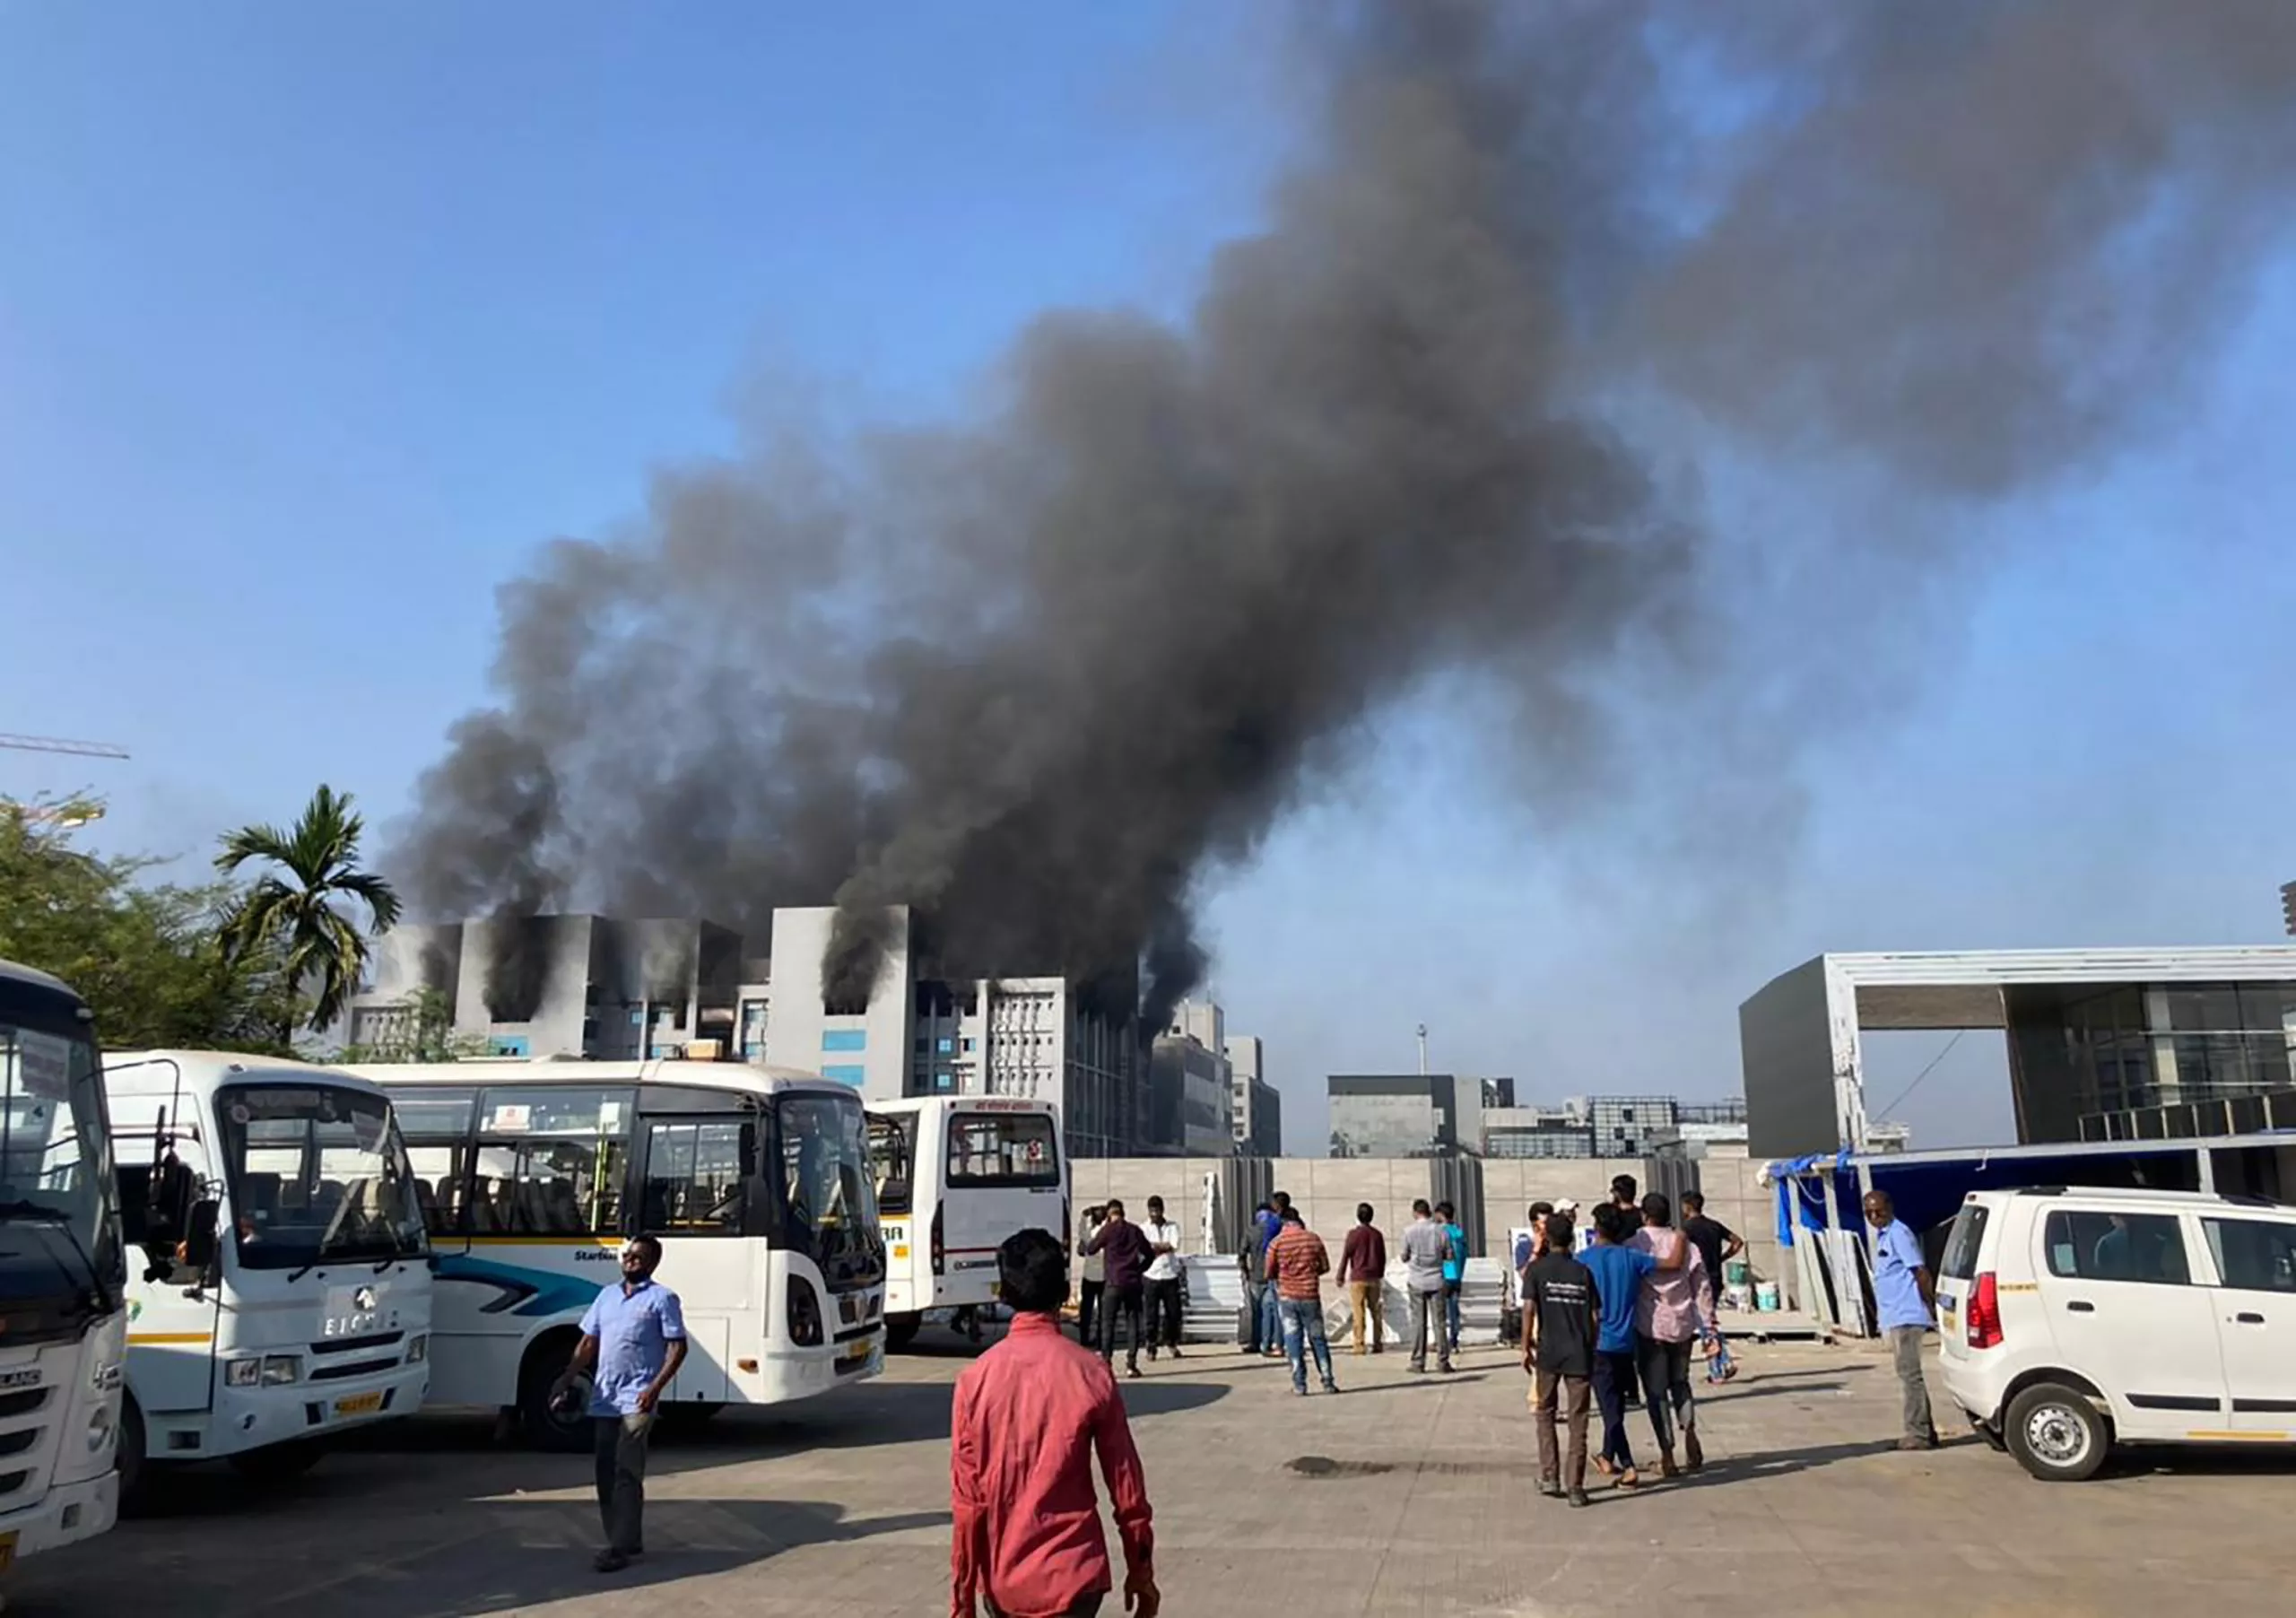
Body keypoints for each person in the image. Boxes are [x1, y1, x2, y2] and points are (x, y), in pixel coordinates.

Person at [951, 1228, 1160, 1618]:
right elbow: (1126, 1485)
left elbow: (968, 1503)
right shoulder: (1092, 1373)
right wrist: (1141, 1570)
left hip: (1004, 1583)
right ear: (1064, 1293)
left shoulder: (974, 1381)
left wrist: (962, 1600)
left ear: (1003, 1294)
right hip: (1076, 1577)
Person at [553, 1235, 689, 1574]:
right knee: (604, 1469)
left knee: (627, 1470)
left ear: (652, 1263)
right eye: (627, 1255)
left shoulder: (663, 1298)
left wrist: (654, 1388)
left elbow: (677, 1348)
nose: (630, 1261)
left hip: (638, 1398)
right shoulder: (607, 1296)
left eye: (638, 1257)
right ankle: (628, 1537)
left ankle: (617, 1547)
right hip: (605, 1397)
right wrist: (567, 1377)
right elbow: (588, 1342)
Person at [1579, 1203, 1687, 1487]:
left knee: (1609, 1408)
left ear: (1595, 1228)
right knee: (1615, 1404)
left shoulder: (1583, 1260)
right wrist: (1681, 1238)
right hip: (1626, 1344)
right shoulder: (1633, 1258)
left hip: (1598, 1343)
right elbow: (1673, 1264)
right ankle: (1606, 1455)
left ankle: (1627, 1466)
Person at [1630, 1192, 1709, 1477]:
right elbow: (1702, 1287)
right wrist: (1710, 1328)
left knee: (1656, 1392)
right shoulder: (1686, 1244)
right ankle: (1689, 1432)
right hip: (1683, 1325)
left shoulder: (1635, 1244)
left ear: (1644, 1215)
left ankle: (1667, 1454)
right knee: (1681, 1382)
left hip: (1649, 1327)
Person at [1521, 1211, 1596, 1508]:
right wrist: (1591, 1344)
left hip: (1548, 1353)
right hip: (1579, 1352)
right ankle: (1575, 1487)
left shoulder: (1537, 1270)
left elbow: (1528, 1309)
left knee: (1545, 1413)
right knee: (1578, 1421)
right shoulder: (1582, 1272)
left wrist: (1525, 1345)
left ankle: (1550, 1476)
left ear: (1547, 1238)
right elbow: (1595, 1316)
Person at [1864, 1189, 1938, 1450]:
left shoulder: (1899, 1234)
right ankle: (1925, 1431)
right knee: (1907, 1374)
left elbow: (1919, 1271)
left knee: (1910, 1375)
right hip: (1894, 1315)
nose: (1875, 1217)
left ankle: (1918, 1433)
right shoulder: (1885, 1236)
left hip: (1907, 1314)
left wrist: (1931, 1307)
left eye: (1879, 1211)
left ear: (1890, 1208)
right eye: (1869, 1213)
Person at [1266, 1206, 1339, 1396]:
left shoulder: (1277, 1242)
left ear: (1283, 1223)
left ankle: (1300, 1384)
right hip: (1310, 1296)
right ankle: (1328, 1380)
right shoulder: (1313, 1239)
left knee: (1293, 1339)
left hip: (1287, 1298)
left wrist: (1285, 1276)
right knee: (1318, 1339)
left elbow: (1269, 1272)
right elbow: (1325, 1266)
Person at [1084, 1197, 1152, 1379]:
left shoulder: (1108, 1230)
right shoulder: (1135, 1230)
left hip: (1113, 1282)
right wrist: (1140, 1269)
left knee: (1108, 1323)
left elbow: (1090, 1249)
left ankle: (1107, 1362)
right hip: (1132, 1283)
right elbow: (1150, 1254)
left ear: (1109, 1214)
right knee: (1133, 1322)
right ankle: (1131, 1364)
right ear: (1123, 1212)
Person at [1401, 1198, 1453, 1374]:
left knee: (1418, 1322)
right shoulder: (1441, 1231)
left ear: (1416, 1212)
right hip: (1437, 1279)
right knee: (1439, 1322)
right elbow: (1449, 1255)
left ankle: (1418, 1362)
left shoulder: (1409, 1231)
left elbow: (1404, 1256)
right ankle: (1443, 1361)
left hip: (1417, 1280)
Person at [1336, 1203, 1387, 1355]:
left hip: (1358, 1277)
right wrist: (1380, 1274)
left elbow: (1346, 1255)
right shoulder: (1377, 1235)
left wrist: (1340, 1275)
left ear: (1358, 1216)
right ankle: (1378, 1343)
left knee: (1359, 1312)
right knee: (1375, 1311)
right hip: (1374, 1277)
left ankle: (1359, 1344)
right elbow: (1382, 1257)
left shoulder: (1353, 1234)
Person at [1141, 1196, 1186, 1361]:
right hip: (1151, 1275)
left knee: (1173, 1313)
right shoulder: (1143, 1228)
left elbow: (1173, 1245)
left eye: (1157, 1210)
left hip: (1169, 1275)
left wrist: (1156, 1247)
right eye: (1152, 1211)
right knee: (1151, 1315)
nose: (1154, 1214)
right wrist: (1161, 1246)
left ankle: (1171, 1342)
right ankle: (1151, 1346)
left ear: (1162, 1210)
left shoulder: (1172, 1227)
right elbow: (1145, 1248)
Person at [1258, 1194, 1292, 1356]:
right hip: (1291, 1270)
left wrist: (1268, 1270)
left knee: (1277, 1308)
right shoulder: (1296, 1223)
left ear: (1277, 1205)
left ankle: (1277, 1344)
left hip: (1277, 1272)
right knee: (1269, 1305)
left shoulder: (1274, 1223)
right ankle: (1267, 1344)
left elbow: (1267, 1248)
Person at [1238, 1201, 1274, 1353]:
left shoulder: (1250, 1231)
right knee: (1270, 1313)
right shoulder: (1275, 1231)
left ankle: (1255, 1342)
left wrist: (1245, 1271)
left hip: (1255, 1277)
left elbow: (1241, 1254)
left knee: (1256, 1313)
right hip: (1272, 1277)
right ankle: (1268, 1343)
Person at [1437, 1200, 1468, 1353]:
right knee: (1454, 1310)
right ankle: (1454, 1341)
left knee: (1441, 1312)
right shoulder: (1459, 1232)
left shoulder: (1442, 1232)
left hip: (1444, 1275)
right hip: (1458, 1275)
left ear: (1441, 1215)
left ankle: (1442, 1342)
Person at [1077, 1205, 1108, 1346]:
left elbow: (1081, 1230)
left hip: (1091, 1276)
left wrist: (1085, 1215)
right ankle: (1100, 1339)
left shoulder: (1090, 1233)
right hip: (1101, 1276)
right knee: (1102, 1312)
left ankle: (1085, 1338)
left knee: (1087, 1311)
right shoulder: (1105, 1232)